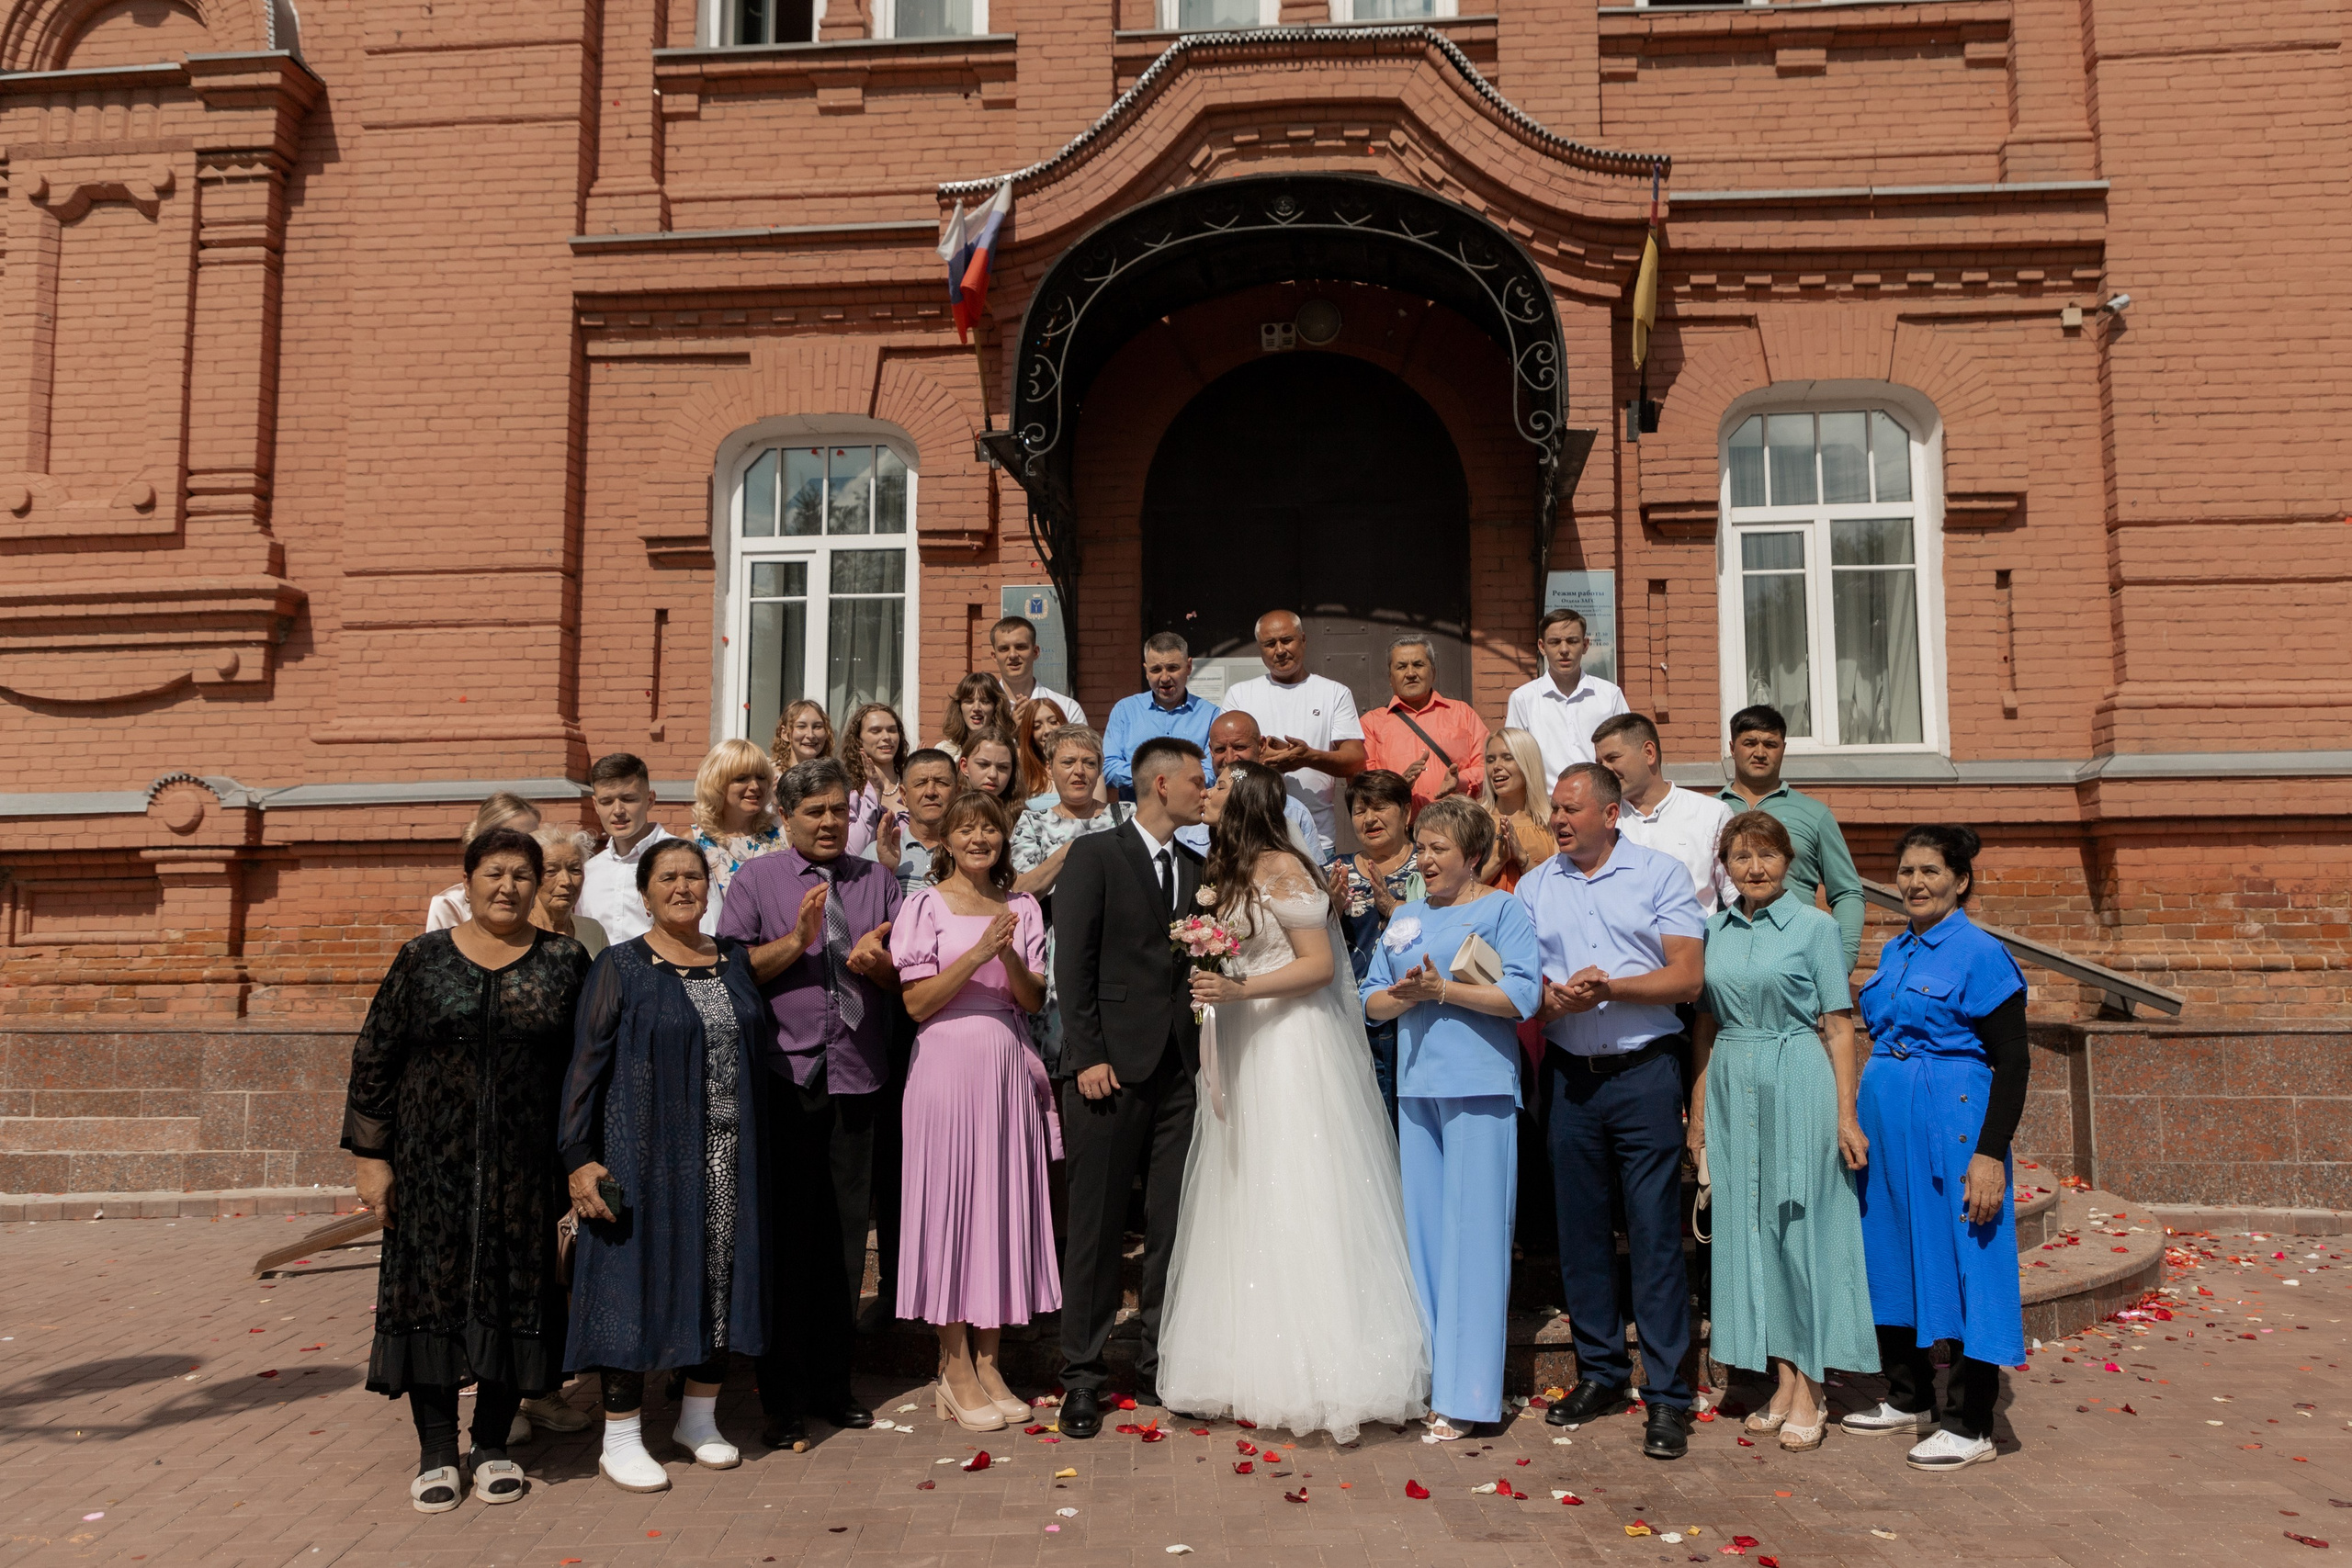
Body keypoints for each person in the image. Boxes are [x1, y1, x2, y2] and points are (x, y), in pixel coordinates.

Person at [1158, 761, 1430, 1441]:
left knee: (1297, 1184)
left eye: (1217, 786)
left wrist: (1239, 989)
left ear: (1242, 799)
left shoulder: (1283, 865)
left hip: (1289, 1044)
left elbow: (1319, 966)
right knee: (1243, 1188)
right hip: (1246, 1042)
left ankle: (1318, 1363)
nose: (1207, 792)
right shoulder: (1227, 868)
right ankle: (1242, 1358)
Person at [342, 827, 591, 1513]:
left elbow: (585, 1068)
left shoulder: (564, 962)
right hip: (430, 1168)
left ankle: (490, 1445)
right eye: (493, 873)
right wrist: (371, 1158)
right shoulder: (421, 959)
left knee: (515, 1298)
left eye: (520, 874)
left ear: (538, 885)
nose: (507, 886)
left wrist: (579, 1158)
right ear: (469, 881)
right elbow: (375, 1058)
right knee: (430, 1299)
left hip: (523, 1171)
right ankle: (434, 1451)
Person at [560, 839, 769, 1491]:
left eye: (694, 876)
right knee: (631, 1280)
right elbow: (584, 1068)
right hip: (642, 1155)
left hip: (728, 1157)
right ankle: (620, 1434)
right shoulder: (620, 965)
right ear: (645, 892)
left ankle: (697, 1418)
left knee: (720, 1280)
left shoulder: (733, 962)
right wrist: (578, 1157)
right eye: (668, 877)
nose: (683, 886)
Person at [1520, 763, 1705, 1461]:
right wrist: (1550, 999)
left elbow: (1688, 976)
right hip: (1570, 1075)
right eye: (1555, 812)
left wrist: (1612, 990)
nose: (1560, 820)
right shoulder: (1537, 885)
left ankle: (1667, 1394)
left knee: (1655, 1232)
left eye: (1571, 810)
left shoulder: (1659, 875)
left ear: (1609, 812)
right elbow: (1523, 983)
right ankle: (1601, 1372)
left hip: (1644, 1071)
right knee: (1581, 1232)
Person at [716, 758, 901, 1449]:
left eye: (835, 811)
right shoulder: (755, 879)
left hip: (856, 1074)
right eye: (813, 811)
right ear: (787, 818)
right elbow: (732, 971)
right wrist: (796, 942)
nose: (827, 822)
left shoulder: (877, 880)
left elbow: (904, 970)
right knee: (788, 1242)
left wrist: (874, 963)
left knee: (846, 1243)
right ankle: (782, 1397)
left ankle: (835, 1385)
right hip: (784, 1077)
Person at [1687, 810, 1875, 1455]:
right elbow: (1706, 1027)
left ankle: (1813, 1385)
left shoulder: (1816, 927)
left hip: (1797, 1072)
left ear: (1788, 860)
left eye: (1767, 854)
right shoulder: (1713, 928)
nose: (1755, 867)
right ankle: (1783, 1376)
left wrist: (1846, 1114)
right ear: (1727, 867)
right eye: (1741, 856)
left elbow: (1840, 1024)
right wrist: (1698, 1108)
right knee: (1750, 1232)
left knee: (1800, 1229)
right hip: (1733, 1080)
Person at [1844, 825, 2030, 1472]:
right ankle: (1908, 1394)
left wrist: (1989, 1153)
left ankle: (1970, 1419)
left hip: (1955, 1125)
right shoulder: (1896, 950)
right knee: (1891, 1250)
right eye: (1907, 872)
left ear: (1960, 880)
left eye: (1929, 871)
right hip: (1889, 1124)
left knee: (1966, 1260)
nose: (1915, 883)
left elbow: (2014, 1059)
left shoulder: (1979, 953)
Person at [1361, 795, 1543, 1440]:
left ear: (1471, 856)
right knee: (1428, 1242)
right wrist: (1402, 994)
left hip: (1481, 1090)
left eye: (1440, 849)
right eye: (1424, 847)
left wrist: (1444, 991)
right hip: (1417, 1092)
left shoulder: (1501, 908)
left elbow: (1523, 994)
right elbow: (1370, 1002)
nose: (1428, 859)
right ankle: (1432, 1378)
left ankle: (1469, 1394)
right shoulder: (1405, 916)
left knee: (1476, 1240)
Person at [1051, 737, 1207, 1438]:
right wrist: (1085, 1052)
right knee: (1097, 1227)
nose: (1204, 791)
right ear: (1161, 784)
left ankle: (1154, 1365)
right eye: (1197, 780)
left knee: (1172, 1227)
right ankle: (1081, 1375)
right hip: (1106, 1069)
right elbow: (1073, 963)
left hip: (1181, 1071)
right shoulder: (1097, 855)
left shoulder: (1200, 868)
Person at [891, 793, 1059, 1432]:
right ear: (949, 840)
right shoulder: (924, 905)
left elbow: (1032, 999)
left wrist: (1008, 950)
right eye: (967, 827)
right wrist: (977, 951)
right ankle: (953, 1365)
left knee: (995, 1209)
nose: (979, 837)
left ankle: (990, 1363)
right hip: (944, 1065)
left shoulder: (1024, 907)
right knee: (949, 1208)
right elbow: (916, 1004)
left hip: (1005, 1065)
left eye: (990, 827)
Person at [1013, 726, 1129, 1075]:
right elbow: (1022, 890)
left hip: (1117, 947)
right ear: (1049, 768)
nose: (1079, 771)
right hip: (1055, 951)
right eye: (1068, 762)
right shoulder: (1032, 822)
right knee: (1056, 1066)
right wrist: (1071, 852)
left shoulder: (1124, 815)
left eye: (1088, 763)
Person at [1717, 705, 1866, 970]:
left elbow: (1847, 892)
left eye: (1770, 744)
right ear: (1732, 747)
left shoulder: (1813, 814)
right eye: (1749, 743)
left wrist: (1840, 962)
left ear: (1783, 748)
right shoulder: (1709, 811)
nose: (1760, 753)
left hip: (1797, 960)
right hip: (1725, 960)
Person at [1222, 610, 1365, 860]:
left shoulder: (1334, 693)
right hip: (1251, 835)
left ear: (1303, 640)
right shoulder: (1240, 695)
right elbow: (1223, 758)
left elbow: (1355, 760)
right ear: (1260, 648)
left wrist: (1308, 758)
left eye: (1287, 640)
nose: (1279, 650)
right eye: (1270, 644)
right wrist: (1264, 758)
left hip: (1316, 839)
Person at [1334, 769, 1424, 1122]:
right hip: (1352, 1021)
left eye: (1380, 807)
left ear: (1407, 812)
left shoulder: (1432, 865)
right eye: (1359, 810)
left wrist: (1398, 910)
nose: (1369, 818)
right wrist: (1327, 911)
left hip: (1416, 1017)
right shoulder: (1334, 871)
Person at [1594, 713, 1736, 917]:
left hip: (1694, 943)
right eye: (1600, 763)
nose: (1605, 770)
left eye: (1613, 758)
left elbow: (1735, 890)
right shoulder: (1600, 819)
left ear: (1649, 753)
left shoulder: (1711, 813)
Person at [1361, 634, 1490, 811]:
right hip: (1403, 831)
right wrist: (1397, 785)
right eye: (1401, 667)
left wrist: (1461, 780)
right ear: (1390, 678)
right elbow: (1363, 782)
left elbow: (1488, 764)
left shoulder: (1463, 713)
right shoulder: (1371, 724)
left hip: (1458, 827)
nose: (1411, 673)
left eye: (1418, 665)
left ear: (1433, 673)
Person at [1504, 607, 1629, 790]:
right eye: (1555, 642)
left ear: (1585, 645)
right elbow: (1515, 758)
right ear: (1542, 646)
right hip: (1546, 806)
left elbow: (1627, 751)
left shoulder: (1609, 695)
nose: (1564, 650)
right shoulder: (1523, 699)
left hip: (1600, 802)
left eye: (1572, 641)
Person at [1175, 709, 1318, 862]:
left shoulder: (1294, 812)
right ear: (1211, 750)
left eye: (1240, 747)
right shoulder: (1191, 813)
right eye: (1220, 749)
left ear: (1261, 746)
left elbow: (1313, 875)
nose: (1230, 758)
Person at [1102, 633, 1219, 798]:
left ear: (1188, 667)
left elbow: (1212, 772)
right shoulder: (1125, 711)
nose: (1165, 678)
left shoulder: (1210, 715)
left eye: (1173, 668)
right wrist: (1155, 778)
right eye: (1156, 669)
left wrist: (1165, 780)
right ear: (1146, 671)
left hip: (1191, 820)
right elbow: (1108, 768)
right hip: (1136, 818)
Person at [578, 754, 675, 946]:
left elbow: (709, 932)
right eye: (606, 801)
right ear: (595, 805)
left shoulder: (685, 859)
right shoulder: (589, 871)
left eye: (628, 799)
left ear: (650, 799)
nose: (618, 810)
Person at [688, 739, 784, 932]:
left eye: (761, 777)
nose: (755, 786)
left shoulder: (783, 830)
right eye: (742, 778)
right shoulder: (693, 843)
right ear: (716, 783)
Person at [424, 792, 543, 931]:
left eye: (535, 838)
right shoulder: (450, 903)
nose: (528, 846)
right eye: (515, 837)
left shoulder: (554, 895)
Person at [865, 748, 958, 897]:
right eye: (920, 783)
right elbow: (867, 913)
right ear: (904, 795)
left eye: (941, 782)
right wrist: (886, 871)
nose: (930, 792)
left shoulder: (969, 851)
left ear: (957, 792)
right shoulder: (877, 853)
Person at [1479, 728, 1554, 891]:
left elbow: (1556, 889)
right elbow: (1458, 889)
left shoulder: (1551, 821)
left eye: (1507, 758)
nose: (1496, 766)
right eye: (1490, 760)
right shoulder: (1474, 819)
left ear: (1528, 763)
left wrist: (1521, 857)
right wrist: (1497, 861)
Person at [985, 614, 1087, 728]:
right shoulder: (981, 710)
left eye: (1020, 647)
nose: (1013, 655)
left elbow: (1080, 745)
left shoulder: (1067, 709)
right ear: (994, 656)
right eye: (1004, 649)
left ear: (1035, 652)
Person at [841, 702, 910, 856]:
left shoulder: (911, 785)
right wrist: (875, 793)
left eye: (892, 730)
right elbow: (854, 851)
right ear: (859, 739)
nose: (886, 737)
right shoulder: (849, 791)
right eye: (875, 731)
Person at [531, 826, 608, 960]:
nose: (566, 881)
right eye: (551, 871)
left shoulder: (593, 930)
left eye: (575, 870)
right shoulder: (515, 932)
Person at [936, 672, 1012, 760]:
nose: (976, 708)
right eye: (969, 701)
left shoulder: (1008, 749)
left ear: (996, 707)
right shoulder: (944, 751)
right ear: (959, 706)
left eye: (985, 701)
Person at [1014, 697, 1071, 805]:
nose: (1047, 730)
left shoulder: (1082, 763)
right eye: (1037, 726)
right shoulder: (1020, 763)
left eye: (1053, 722)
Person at [957, 731, 1024, 815]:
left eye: (1003, 767)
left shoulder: (1025, 819)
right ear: (964, 766)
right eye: (983, 764)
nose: (993, 775)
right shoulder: (948, 813)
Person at [772, 698, 836, 772]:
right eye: (801, 727)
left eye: (817, 727)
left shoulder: (835, 778)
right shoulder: (770, 778)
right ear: (784, 733)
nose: (811, 735)